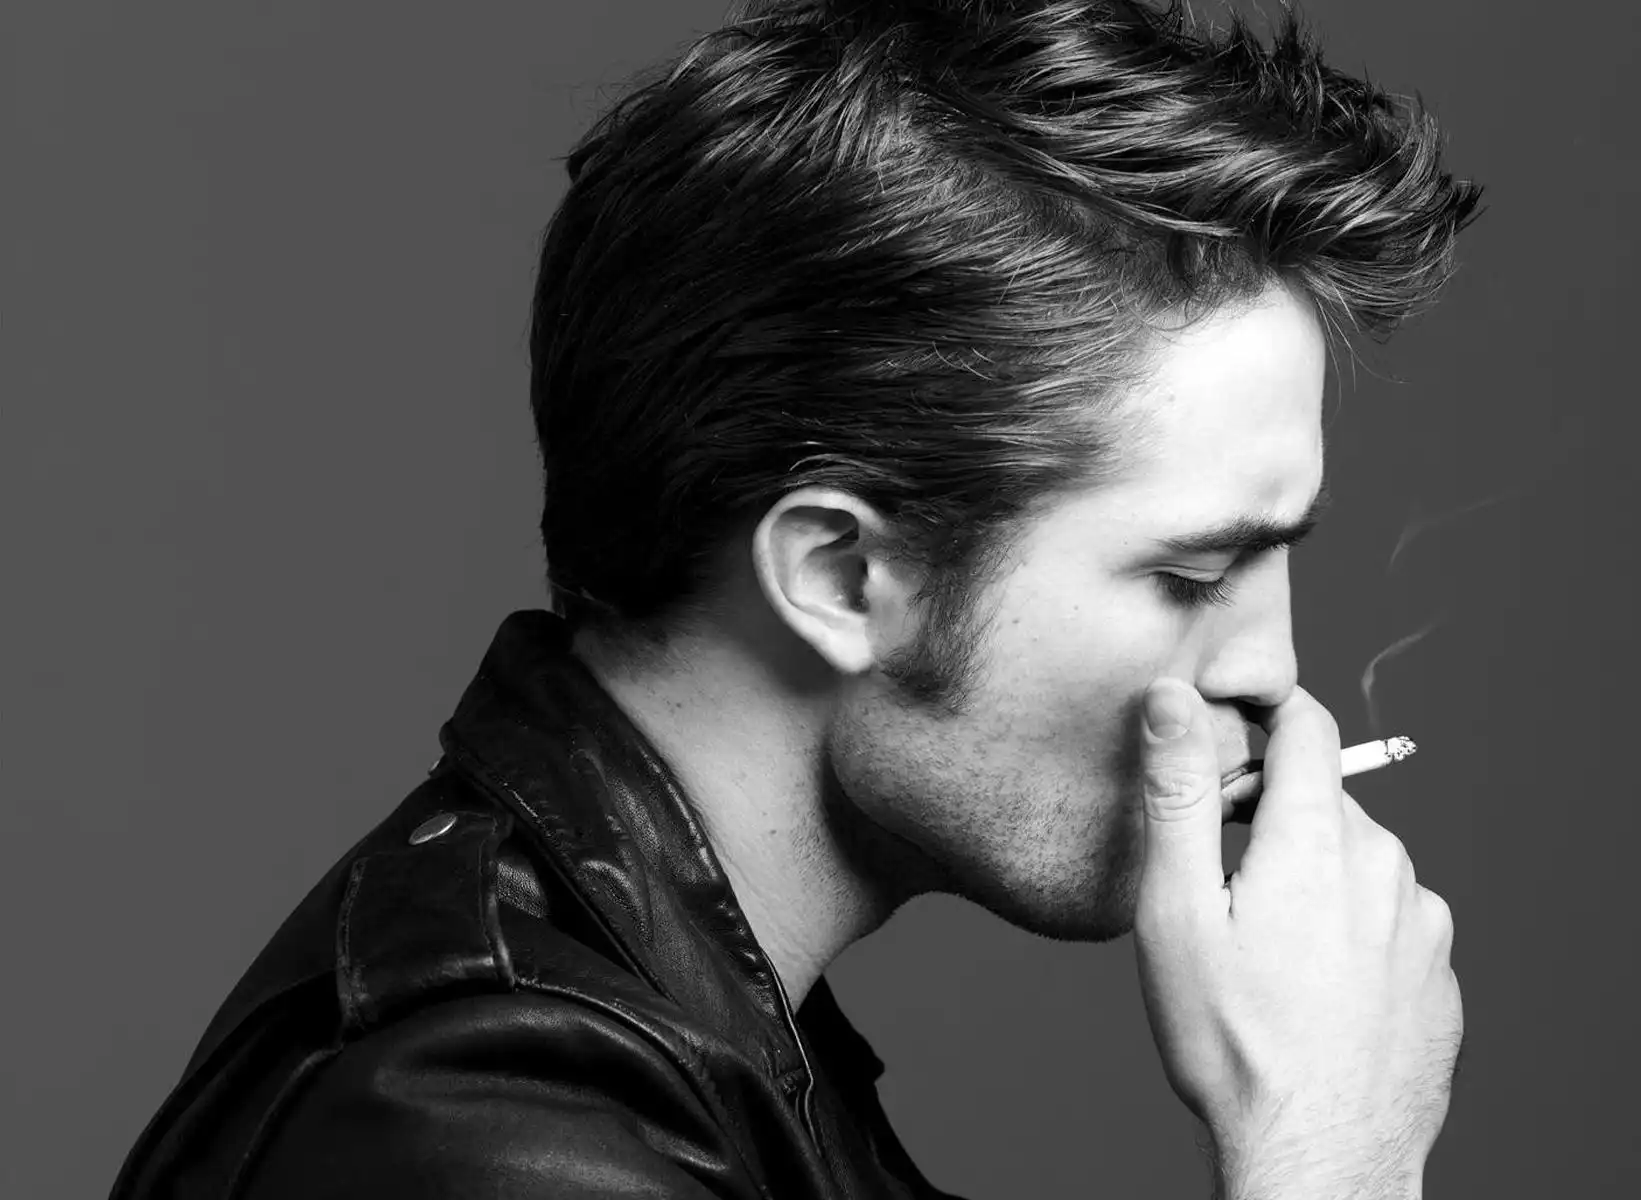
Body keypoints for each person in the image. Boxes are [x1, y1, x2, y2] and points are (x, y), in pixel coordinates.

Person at [111, 1, 1481, 1196]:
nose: (1271, 671)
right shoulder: (489, 1133)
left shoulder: (702, 1038)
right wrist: (1328, 1150)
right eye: (1193, 574)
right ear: (839, 577)